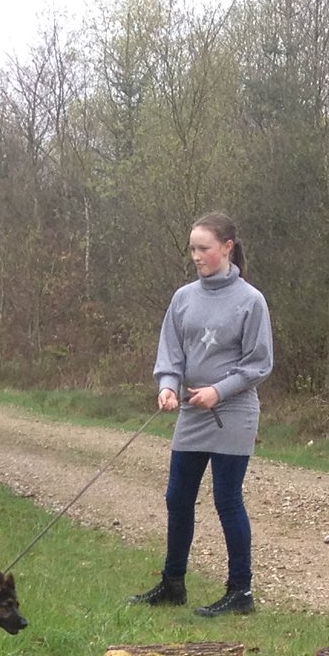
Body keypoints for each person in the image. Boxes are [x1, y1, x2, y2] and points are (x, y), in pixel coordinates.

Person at [130, 212, 273, 618]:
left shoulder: (251, 301)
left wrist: (218, 390)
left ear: (227, 248)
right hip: (191, 414)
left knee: (227, 500)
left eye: (204, 248)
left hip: (234, 413)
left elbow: (259, 364)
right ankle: (173, 583)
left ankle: (240, 592)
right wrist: (168, 387)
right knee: (178, 497)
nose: (197, 256)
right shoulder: (183, 298)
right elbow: (171, 353)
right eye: (192, 249)